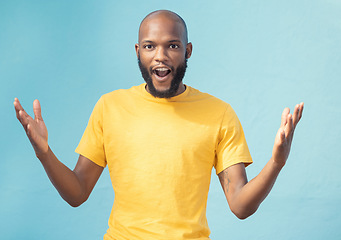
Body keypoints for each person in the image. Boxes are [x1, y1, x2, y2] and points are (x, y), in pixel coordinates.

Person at [14, 10, 304, 240]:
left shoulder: (219, 113)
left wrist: (276, 163)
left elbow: (240, 206)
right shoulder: (110, 107)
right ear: (138, 51)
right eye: (150, 46)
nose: (160, 56)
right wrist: (44, 153)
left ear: (188, 51)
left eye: (172, 46)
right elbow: (77, 193)